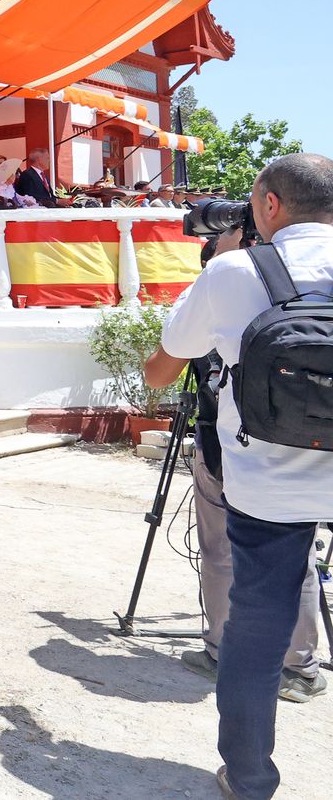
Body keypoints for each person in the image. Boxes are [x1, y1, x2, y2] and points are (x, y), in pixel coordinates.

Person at [144, 153, 333, 800]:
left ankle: (249, 779)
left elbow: (161, 372)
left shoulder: (231, 271)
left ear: (270, 205)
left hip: (267, 486)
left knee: (257, 630)